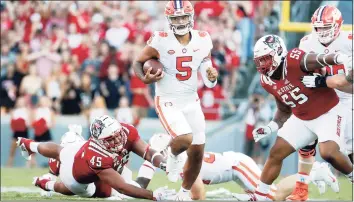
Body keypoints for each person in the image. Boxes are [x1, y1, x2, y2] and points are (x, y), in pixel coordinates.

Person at [132, 1, 218, 200]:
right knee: (184, 138)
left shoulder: (203, 39)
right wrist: (144, 78)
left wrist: (212, 78)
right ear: (169, 19)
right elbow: (138, 62)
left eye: (183, 17)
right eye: (175, 18)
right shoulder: (160, 39)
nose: (180, 21)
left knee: (197, 151)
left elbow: (207, 75)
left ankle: (184, 193)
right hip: (168, 100)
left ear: (191, 17)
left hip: (191, 100)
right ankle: (172, 155)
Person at [250, 34, 353, 200]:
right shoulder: (265, 80)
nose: (262, 65)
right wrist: (270, 127)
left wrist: (340, 57)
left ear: (277, 53)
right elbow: (284, 110)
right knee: (276, 152)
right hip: (302, 119)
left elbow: (320, 59)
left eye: (265, 59)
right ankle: (260, 196)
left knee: (329, 153)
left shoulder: (294, 60)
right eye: (259, 61)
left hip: (328, 111)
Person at [135, 133, 339, 200]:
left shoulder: (181, 160)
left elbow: (198, 194)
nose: (155, 158)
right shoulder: (171, 159)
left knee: (272, 196)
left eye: (157, 153)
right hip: (232, 170)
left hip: (236, 166)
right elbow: (143, 177)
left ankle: (314, 172)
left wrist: (169, 196)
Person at [17, 115, 174, 200]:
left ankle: (28, 144)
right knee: (92, 192)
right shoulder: (96, 155)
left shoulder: (126, 131)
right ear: (99, 141)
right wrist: (154, 196)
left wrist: (165, 164)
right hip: (76, 176)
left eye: (117, 135)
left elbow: (147, 152)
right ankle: (45, 183)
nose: (118, 140)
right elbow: (122, 187)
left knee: (60, 151)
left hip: (90, 156)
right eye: (110, 139)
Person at [287, 6, 353, 201]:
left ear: (338, 25)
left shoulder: (349, 41)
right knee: (306, 141)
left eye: (326, 27)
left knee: (346, 152)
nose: (322, 32)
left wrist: (323, 81)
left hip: (348, 99)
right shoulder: (307, 42)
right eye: (319, 28)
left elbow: (350, 85)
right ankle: (301, 188)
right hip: (323, 98)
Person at [37, 124, 137, 199]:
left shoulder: (89, 152)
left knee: (128, 184)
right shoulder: (58, 157)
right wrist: (47, 184)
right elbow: (53, 176)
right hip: (83, 183)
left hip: (98, 179)